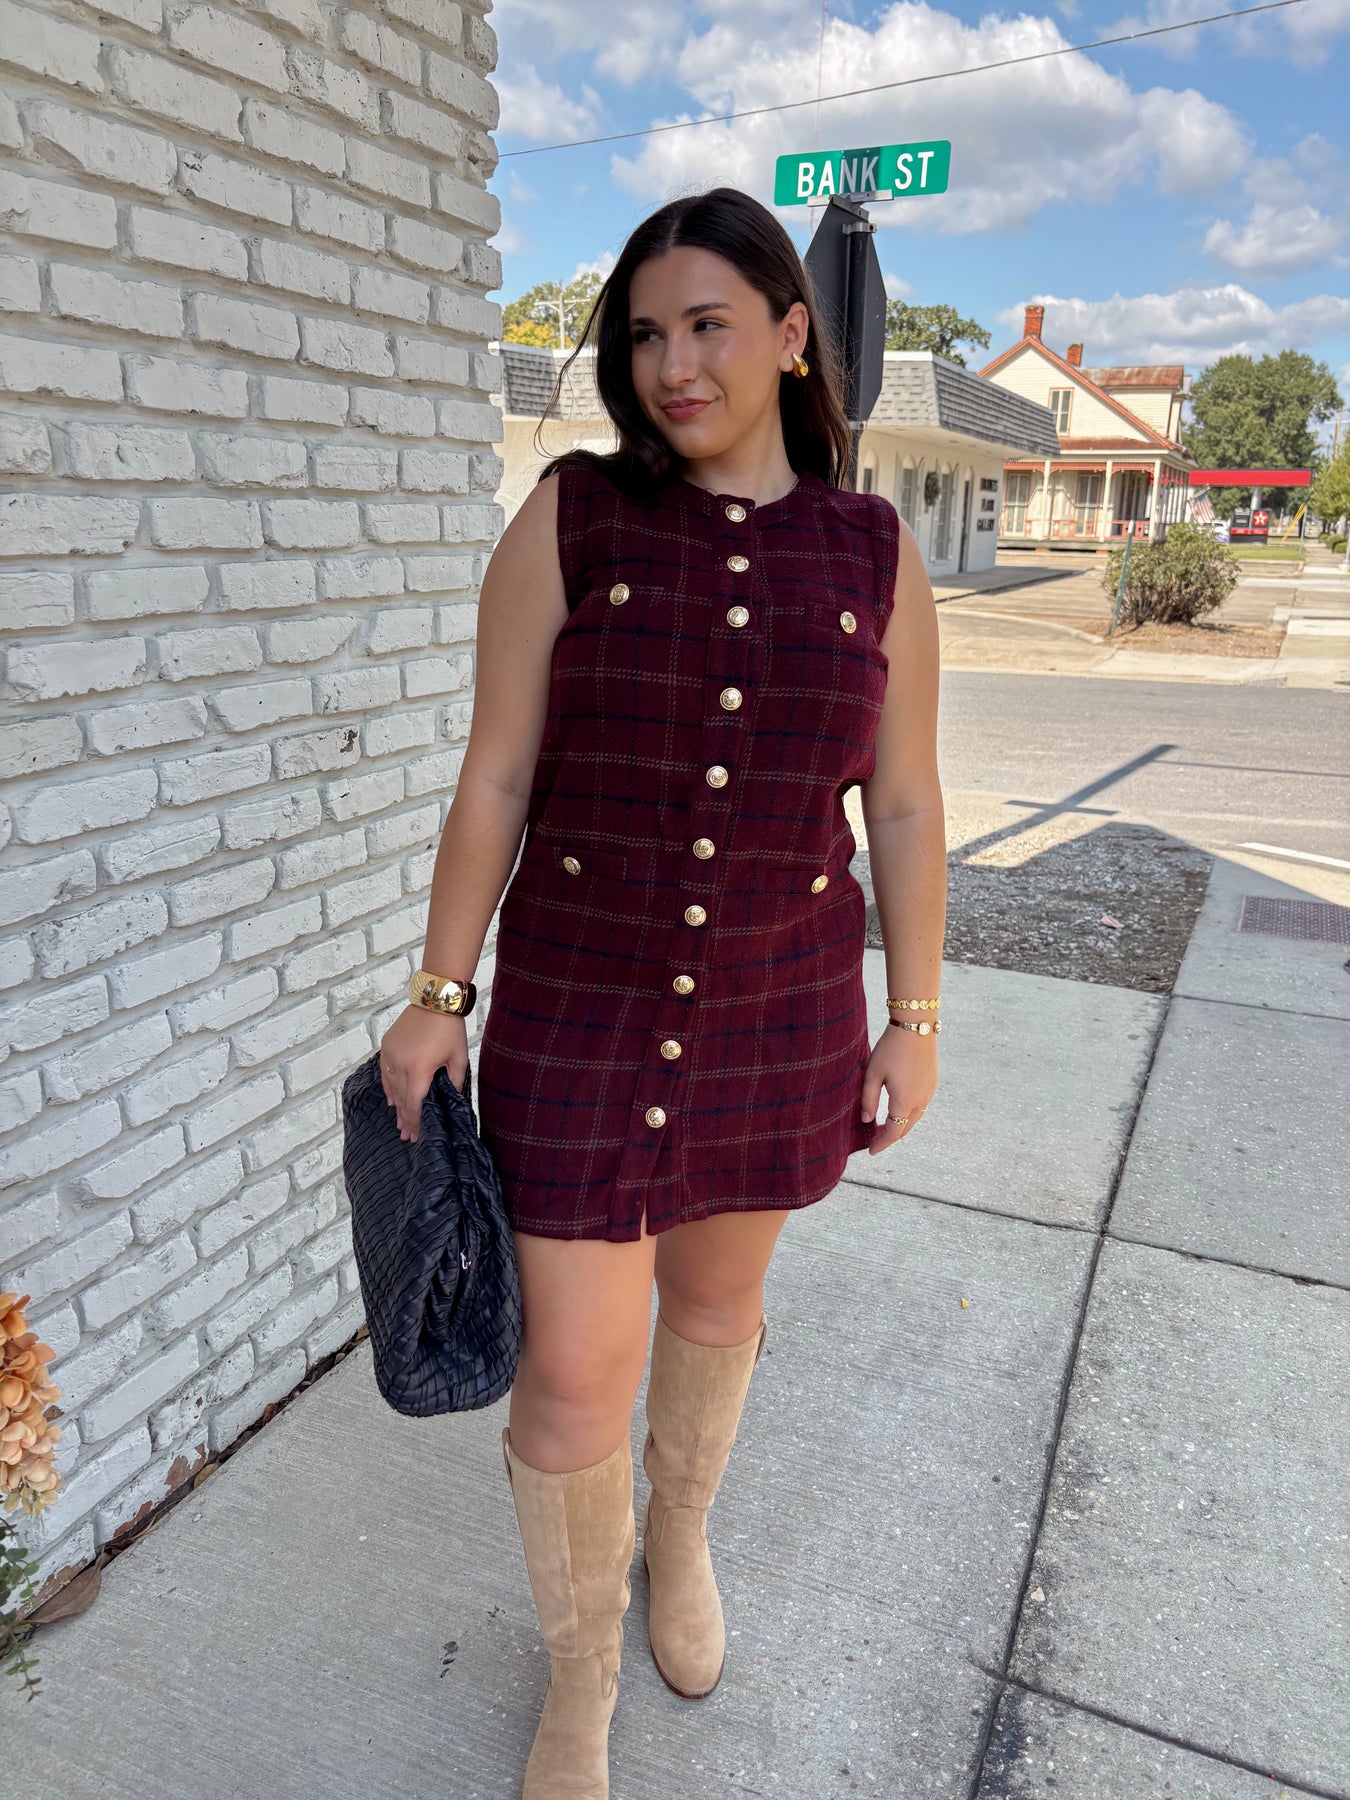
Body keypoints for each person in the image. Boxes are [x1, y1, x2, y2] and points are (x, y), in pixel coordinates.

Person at [376, 186, 946, 1798]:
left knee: (713, 1308)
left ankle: (677, 1537)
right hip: (577, 1008)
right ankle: (577, 1679)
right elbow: (495, 776)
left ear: (790, 335)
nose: (672, 366)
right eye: (642, 334)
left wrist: (914, 1017)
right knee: (570, 1373)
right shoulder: (570, 517)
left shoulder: (872, 551)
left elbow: (904, 804)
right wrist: (440, 990)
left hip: (779, 1007)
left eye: (707, 325)